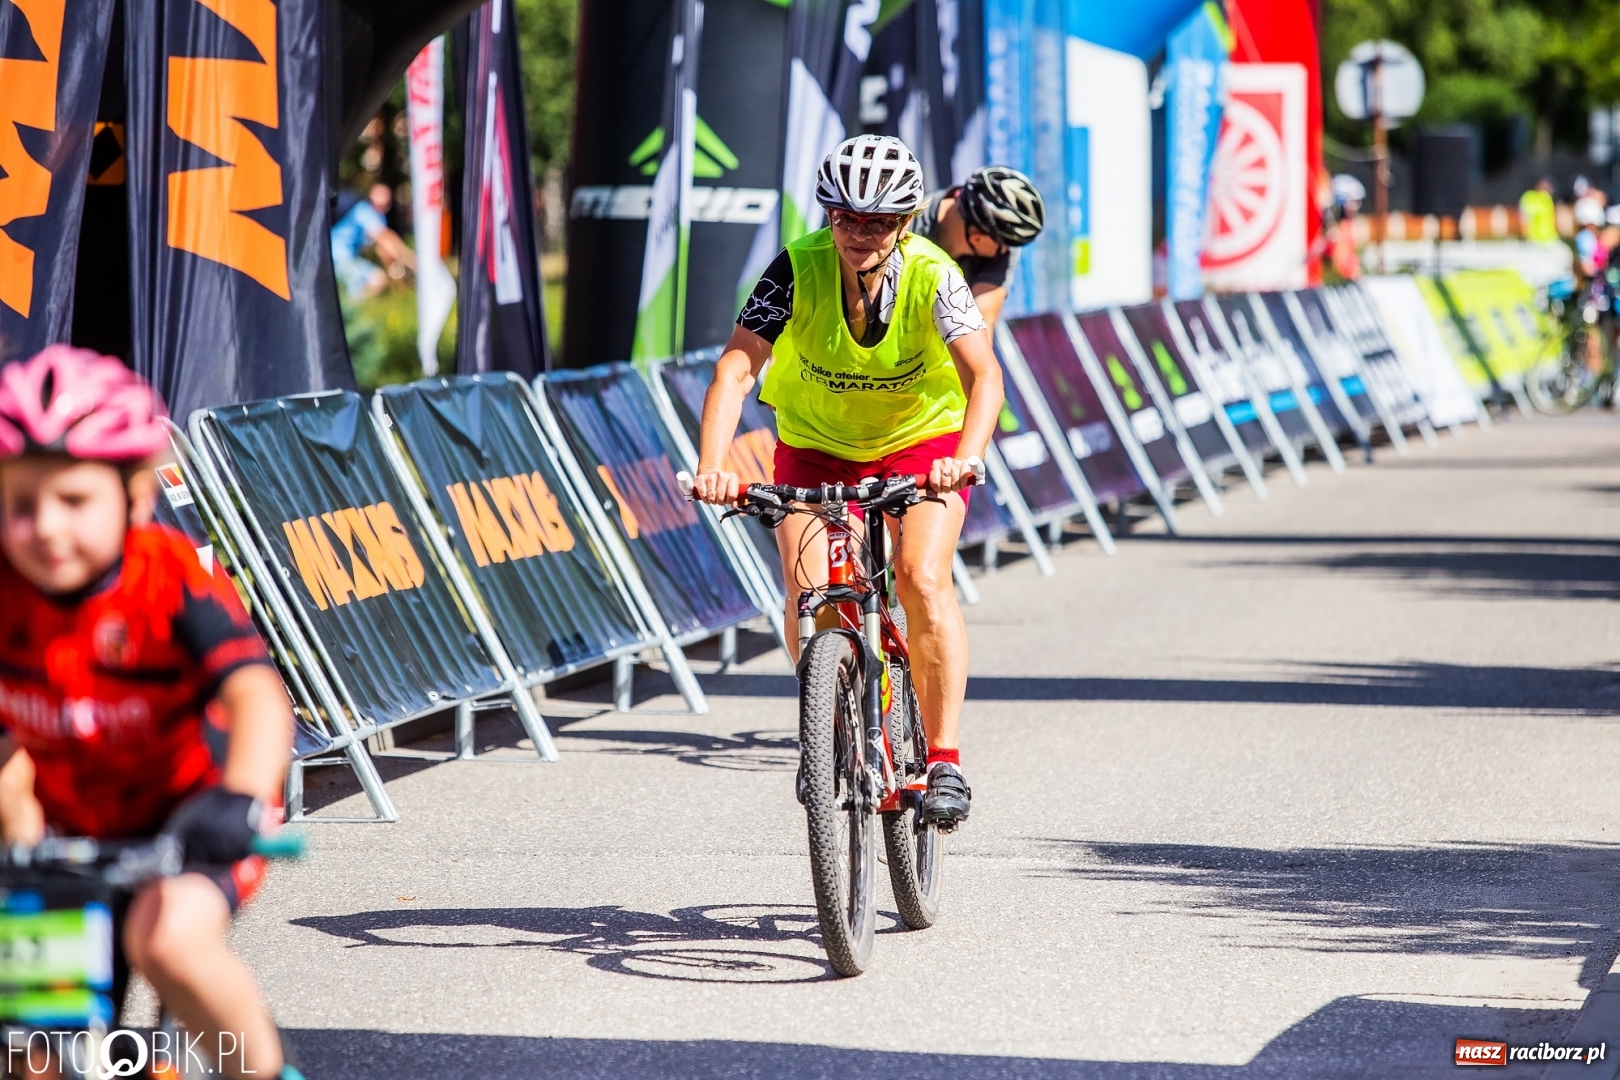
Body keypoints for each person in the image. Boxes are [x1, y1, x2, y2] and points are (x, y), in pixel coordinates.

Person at [0, 347, 300, 1080]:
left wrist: (239, 798)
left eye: (74, 501)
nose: (45, 528)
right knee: (33, 1044)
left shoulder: (166, 577)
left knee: (166, 940)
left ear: (134, 496)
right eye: (19, 504)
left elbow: (256, 695)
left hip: (192, 817)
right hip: (67, 832)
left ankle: (257, 1071)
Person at [690, 135, 1004, 827]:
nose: (861, 233)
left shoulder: (933, 273)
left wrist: (967, 457)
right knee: (809, 592)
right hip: (817, 446)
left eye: (881, 221)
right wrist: (713, 465)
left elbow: (984, 376)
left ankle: (944, 758)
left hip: (922, 444)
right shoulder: (794, 268)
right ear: (827, 213)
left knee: (921, 577)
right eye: (846, 218)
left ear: (907, 221)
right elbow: (736, 370)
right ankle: (833, 720)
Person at [905, 165, 1045, 329]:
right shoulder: (905, 227)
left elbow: (980, 327)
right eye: (1005, 246)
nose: (1007, 251)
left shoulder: (999, 247)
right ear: (976, 237)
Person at [330, 182, 416, 301]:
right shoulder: (364, 211)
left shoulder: (378, 217)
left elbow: (383, 247)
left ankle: (350, 303)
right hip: (337, 257)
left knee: (378, 278)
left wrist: (395, 266)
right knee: (377, 279)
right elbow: (385, 239)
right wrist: (410, 261)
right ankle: (351, 306)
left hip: (345, 257)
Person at [1519, 178, 1558, 244]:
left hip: (1549, 238)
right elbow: (1525, 218)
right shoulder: (1529, 198)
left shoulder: (1547, 199)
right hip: (1534, 239)